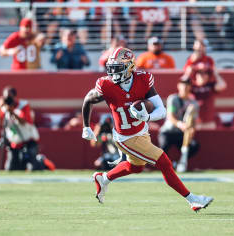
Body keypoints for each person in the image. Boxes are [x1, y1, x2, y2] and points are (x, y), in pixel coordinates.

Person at [81, 47, 213, 212]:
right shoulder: (106, 84)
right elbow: (88, 99)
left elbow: (161, 110)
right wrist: (86, 126)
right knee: (164, 161)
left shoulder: (142, 79)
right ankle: (193, 200)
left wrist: (147, 117)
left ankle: (104, 178)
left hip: (141, 130)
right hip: (125, 137)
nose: (113, 73)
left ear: (129, 67)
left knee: (136, 167)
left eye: (118, 69)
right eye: (111, 69)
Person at [0, 86, 44, 171]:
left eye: (9, 97)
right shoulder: (3, 108)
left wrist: (12, 112)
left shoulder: (23, 105)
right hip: (14, 143)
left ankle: (41, 162)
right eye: (6, 97)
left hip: (28, 141)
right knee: (10, 168)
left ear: (14, 96)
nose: (8, 99)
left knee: (32, 168)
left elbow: (24, 122)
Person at [183, 40, 227, 129]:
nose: (202, 75)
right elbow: (183, 82)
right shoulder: (190, 59)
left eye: (202, 46)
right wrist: (191, 66)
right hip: (195, 120)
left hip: (208, 121)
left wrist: (214, 73)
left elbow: (222, 84)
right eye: (200, 73)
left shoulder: (209, 60)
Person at [158, 78, 199, 173]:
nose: (185, 86)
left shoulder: (194, 103)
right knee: (162, 150)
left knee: (194, 146)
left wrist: (192, 129)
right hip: (168, 131)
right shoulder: (173, 98)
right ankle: (168, 166)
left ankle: (179, 163)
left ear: (190, 87)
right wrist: (180, 124)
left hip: (181, 134)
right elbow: (170, 116)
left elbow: (193, 121)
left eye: (187, 84)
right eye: (183, 84)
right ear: (178, 86)